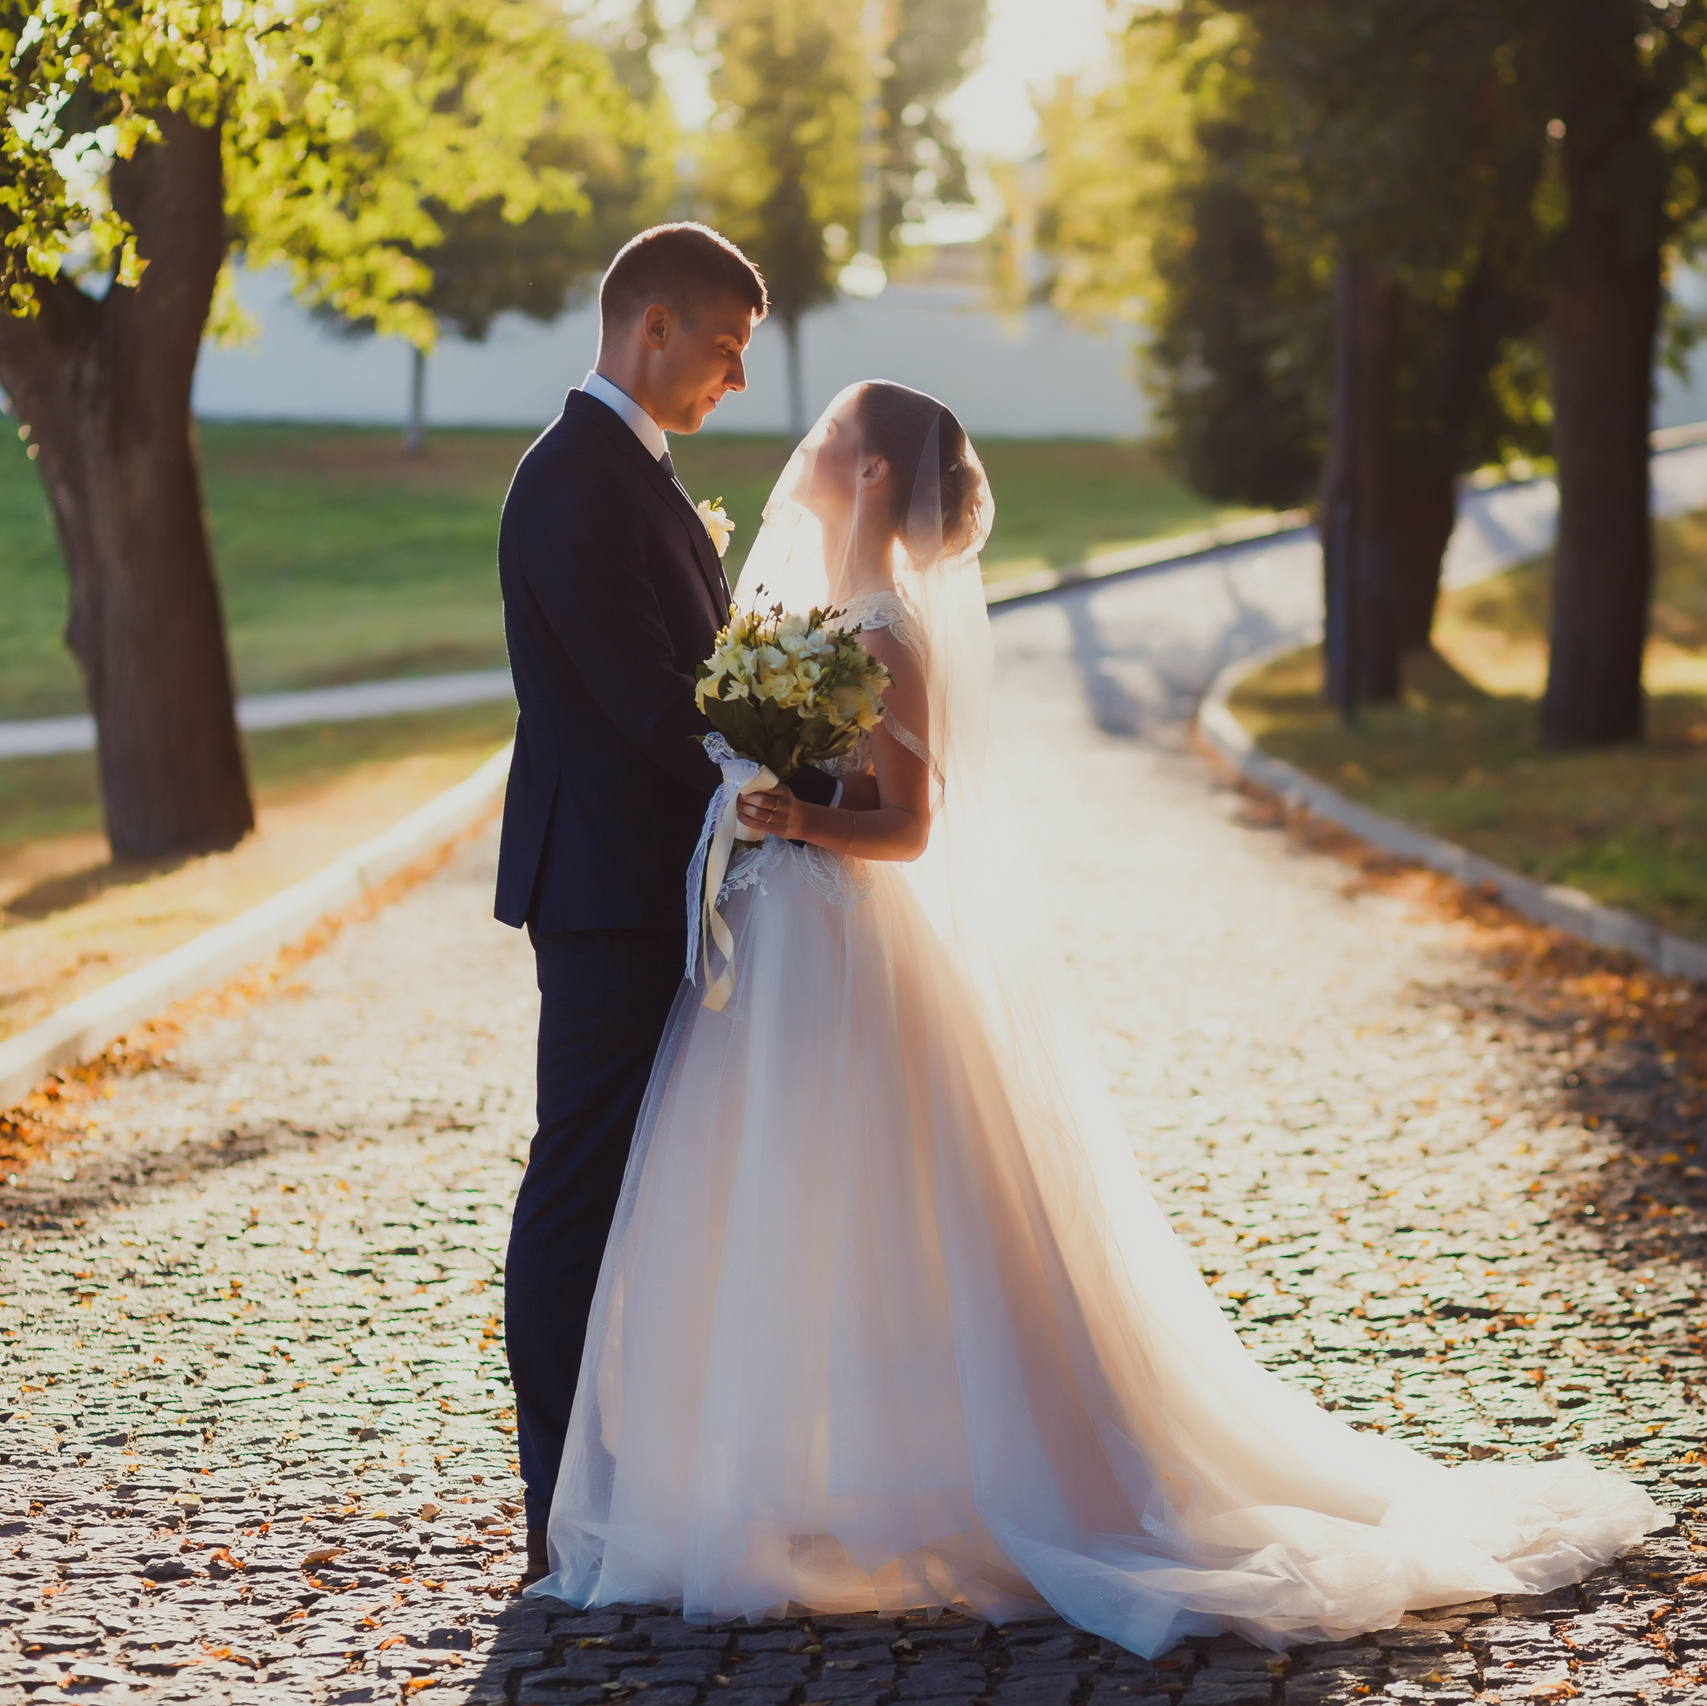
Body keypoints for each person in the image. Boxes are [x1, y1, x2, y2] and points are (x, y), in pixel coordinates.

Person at [528, 380, 1665, 1654]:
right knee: (780, 1207)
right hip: (778, 936)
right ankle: (784, 1481)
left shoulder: (886, 630)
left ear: (869, 476)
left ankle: (951, 1478)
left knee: (887, 1210)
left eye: (837, 436)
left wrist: (798, 817)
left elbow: (906, 825)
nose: (812, 447)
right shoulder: (810, 616)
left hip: (842, 942)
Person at [493, 223, 846, 1582]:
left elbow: (688, 680)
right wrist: (796, 775)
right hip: (602, 889)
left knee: (645, 1185)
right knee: (579, 1187)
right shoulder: (572, 482)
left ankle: (625, 1476)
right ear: (650, 326)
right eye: (723, 347)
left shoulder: (629, 472)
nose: (735, 381)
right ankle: (556, 1507)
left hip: (654, 877)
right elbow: (651, 703)